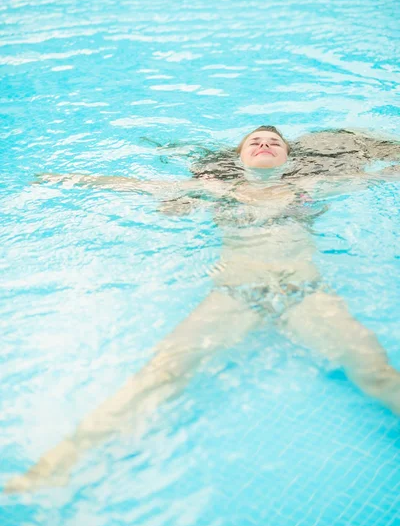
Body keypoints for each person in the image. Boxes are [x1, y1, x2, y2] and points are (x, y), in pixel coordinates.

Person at [5, 126, 400, 493]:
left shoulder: (310, 186)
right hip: (236, 294)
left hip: (305, 291)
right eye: (256, 143)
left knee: (374, 372)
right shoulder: (218, 188)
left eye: (274, 143)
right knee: (161, 374)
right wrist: (67, 180)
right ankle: (53, 467)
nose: (265, 146)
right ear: (240, 157)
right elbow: (134, 186)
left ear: (289, 158)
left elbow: (385, 176)